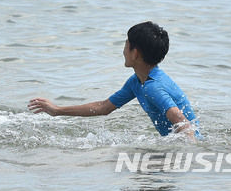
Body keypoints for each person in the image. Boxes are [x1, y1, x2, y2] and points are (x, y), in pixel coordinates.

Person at [28, 21, 199, 141]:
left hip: (184, 148)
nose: (123, 51)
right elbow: (103, 107)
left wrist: (188, 154)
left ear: (135, 53)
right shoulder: (136, 82)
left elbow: (179, 118)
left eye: (126, 45)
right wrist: (57, 110)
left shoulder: (152, 86)